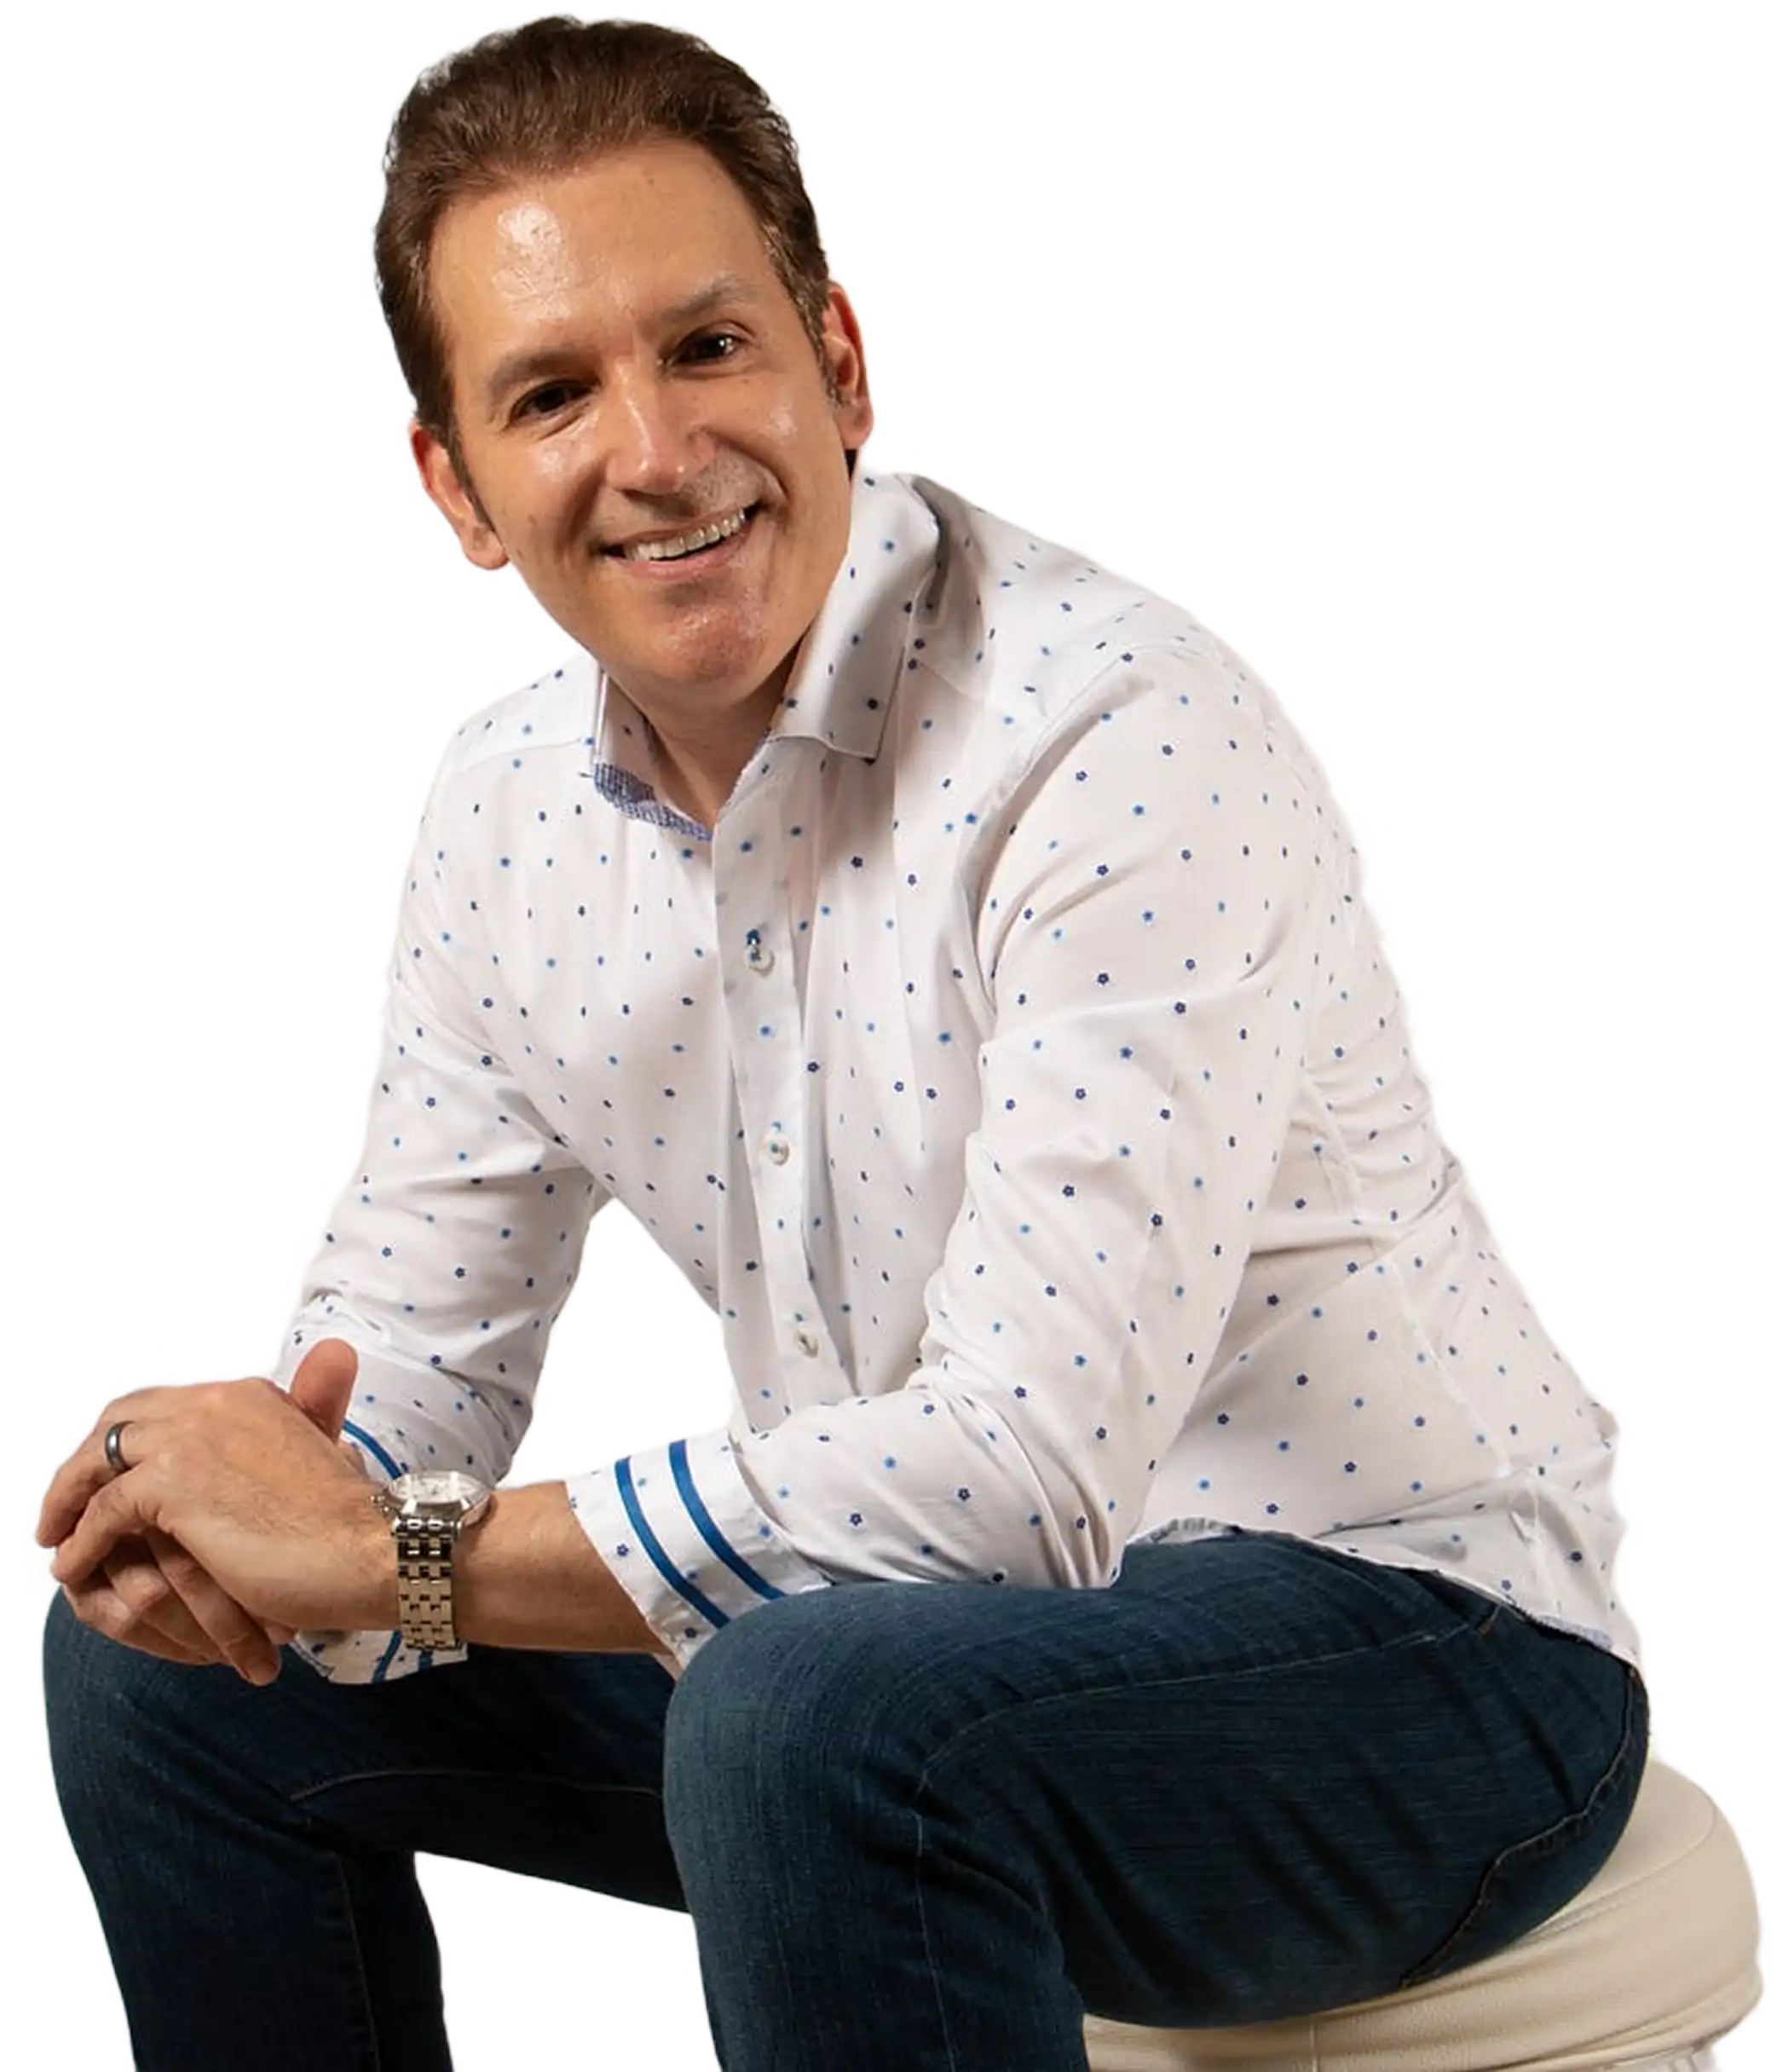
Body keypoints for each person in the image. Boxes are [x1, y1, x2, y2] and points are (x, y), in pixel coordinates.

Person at [34, 14, 1653, 2070]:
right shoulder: (500, 811)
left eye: (706, 347)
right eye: (552, 393)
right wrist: (240, 1503)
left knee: (809, 1710)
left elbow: (1016, 1478)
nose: (654, 452)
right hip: (919, 1650)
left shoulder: (1116, 732)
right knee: (172, 1674)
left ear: (838, 359)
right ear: (455, 487)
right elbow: (404, 1368)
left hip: (1424, 1656)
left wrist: (385, 1551)